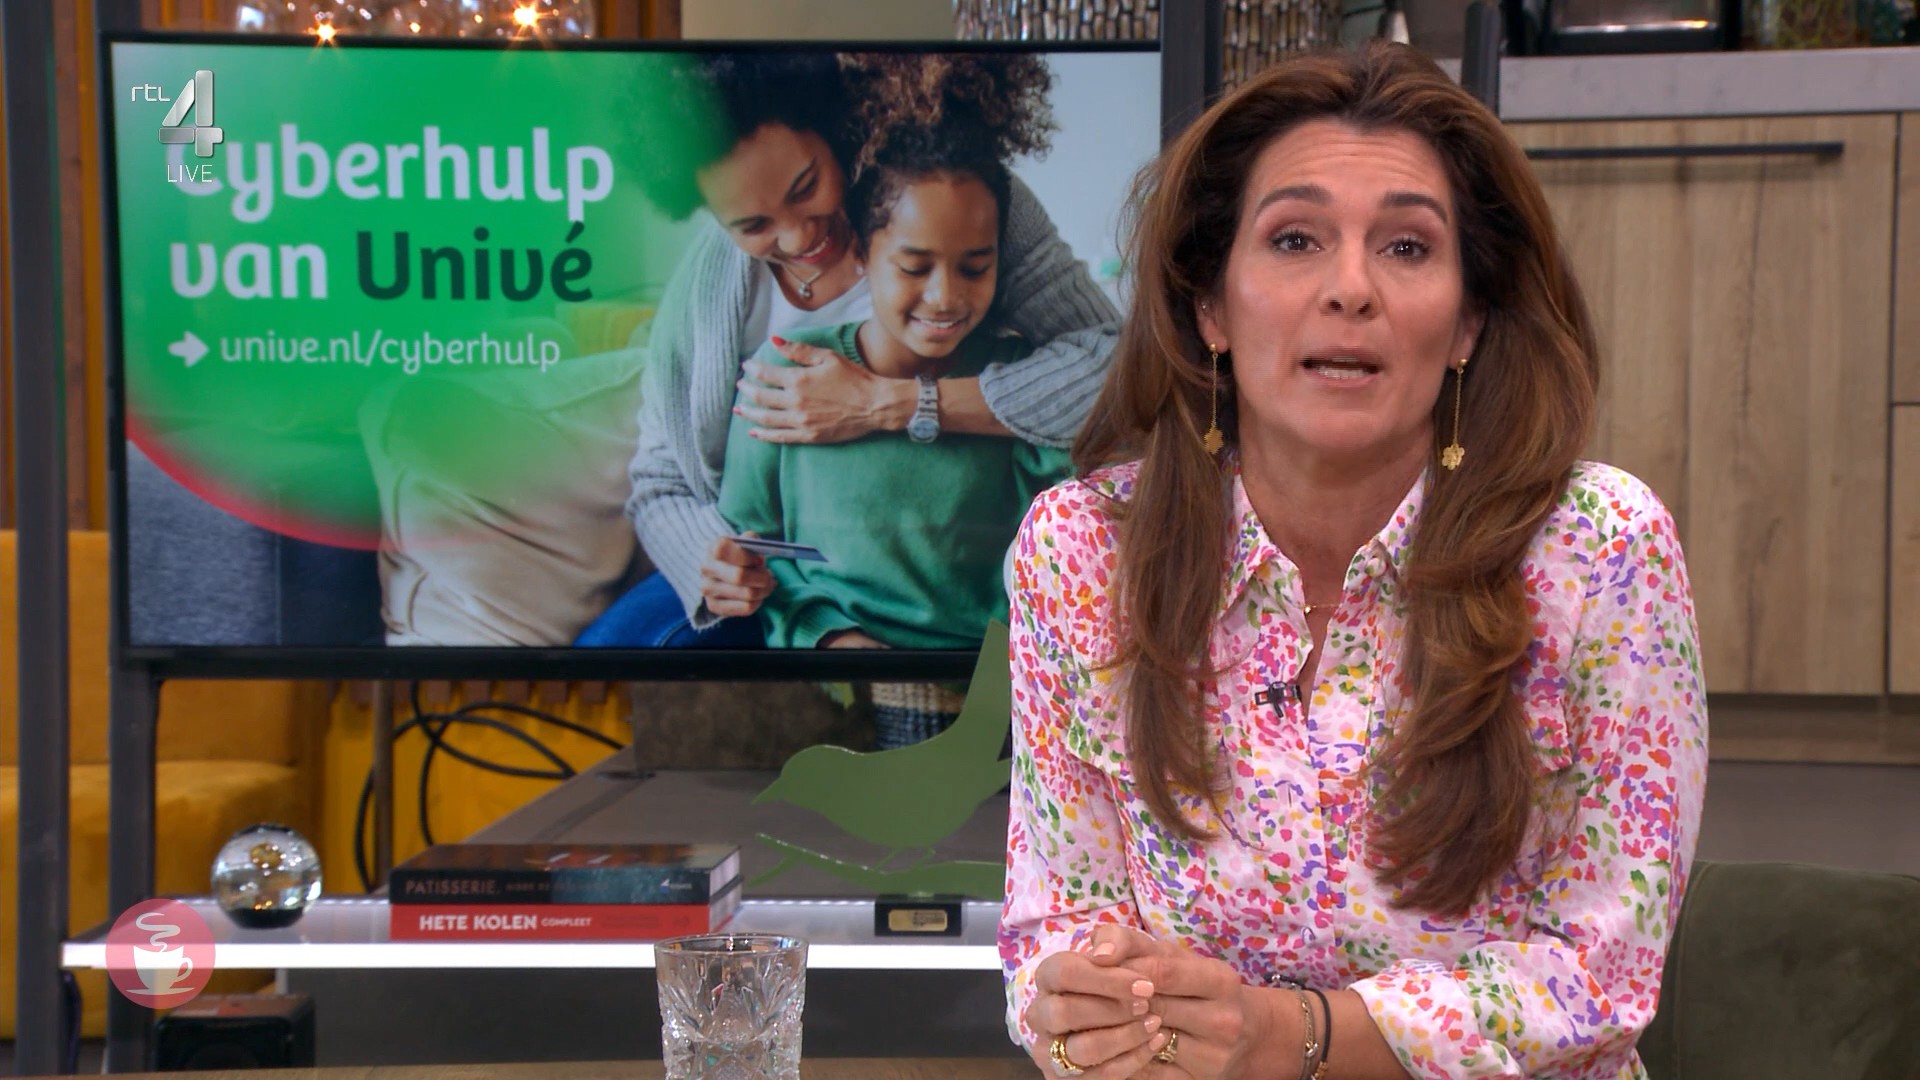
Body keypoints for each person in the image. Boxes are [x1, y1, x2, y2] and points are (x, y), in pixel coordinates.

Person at [999, 43, 1708, 1080]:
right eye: (1295, 239)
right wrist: (1085, 1007)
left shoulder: (1599, 550)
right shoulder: (1082, 551)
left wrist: (1289, 1036)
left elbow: (1597, 978)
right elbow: (1056, 922)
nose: (1350, 289)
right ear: (1209, 306)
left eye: (1407, 248)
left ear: (1468, 319)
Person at [576, 53, 1116, 647]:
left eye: (806, 187)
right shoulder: (709, 289)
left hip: (939, 580)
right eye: (753, 225)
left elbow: (1116, 364)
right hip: (784, 586)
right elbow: (660, 477)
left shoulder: (954, 197)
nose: (798, 236)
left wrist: (891, 403)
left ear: (834, 132)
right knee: (608, 654)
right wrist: (709, 560)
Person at [716, 90, 1073, 656]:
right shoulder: (781, 375)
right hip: (833, 673)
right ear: (860, 252)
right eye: (914, 267)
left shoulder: (1022, 382)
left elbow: (1067, 551)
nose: (945, 297)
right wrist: (830, 637)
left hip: (990, 678)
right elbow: (752, 549)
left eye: (975, 268)